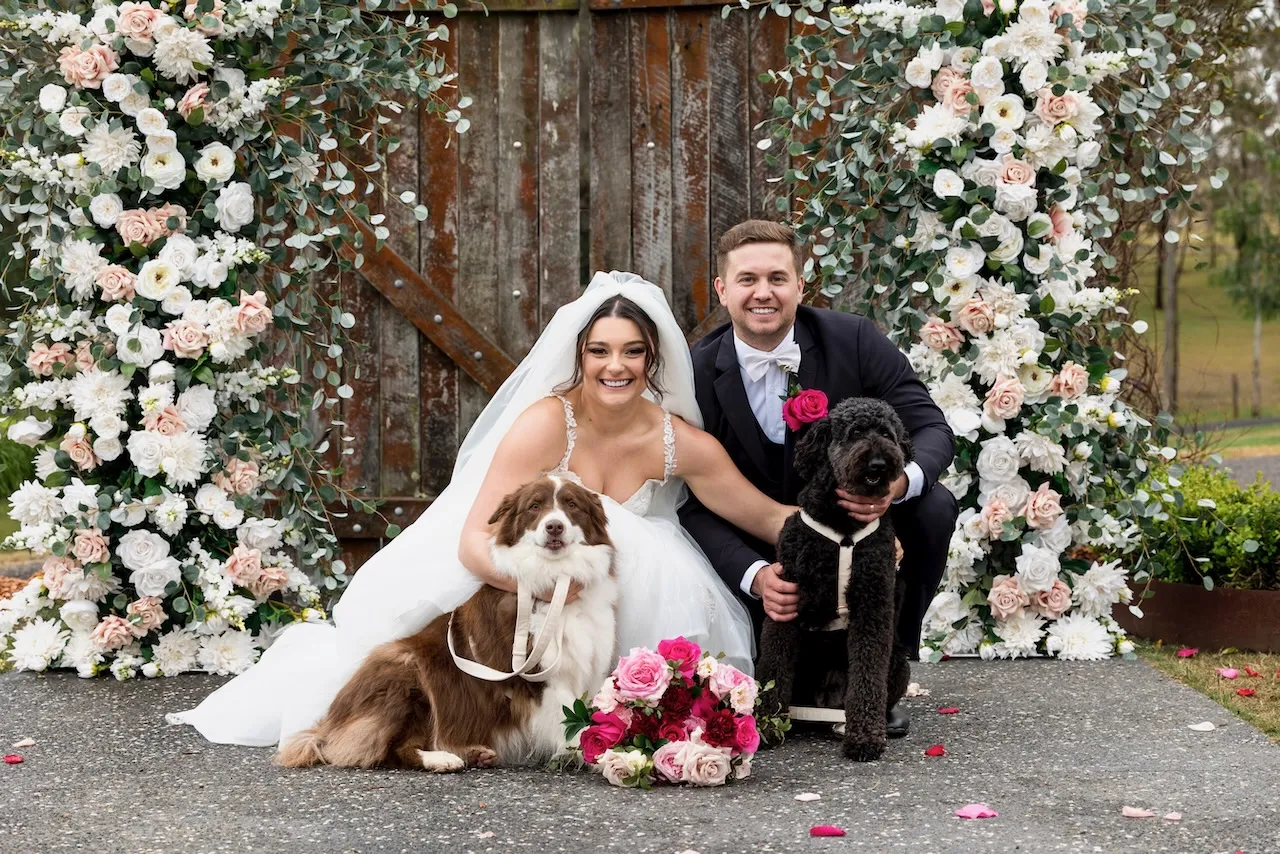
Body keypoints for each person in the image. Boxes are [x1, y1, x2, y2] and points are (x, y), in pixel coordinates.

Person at [169, 272, 792, 747]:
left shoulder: (676, 440)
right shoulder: (548, 423)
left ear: (652, 360)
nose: (615, 366)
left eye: (632, 352)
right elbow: (474, 540)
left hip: (626, 581)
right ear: (580, 356)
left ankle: (615, 716)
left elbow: (764, 516)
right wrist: (541, 590)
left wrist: (856, 528)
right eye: (600, 351)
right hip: (527, 572)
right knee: (400, 661)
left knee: (628, 554)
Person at [678, 220, 959, 738]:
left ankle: (882, 674)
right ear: (721, 289)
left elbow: (931, 427)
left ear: (800, 285)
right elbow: (690, 501)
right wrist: (755, 574)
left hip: (862, 529)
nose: (763, 293)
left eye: (777, 278)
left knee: (935, 505)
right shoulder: (695, 373)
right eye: (747, 280)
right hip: (760, 537)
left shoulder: (853, 339)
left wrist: (897, 488)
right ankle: (781, 676)